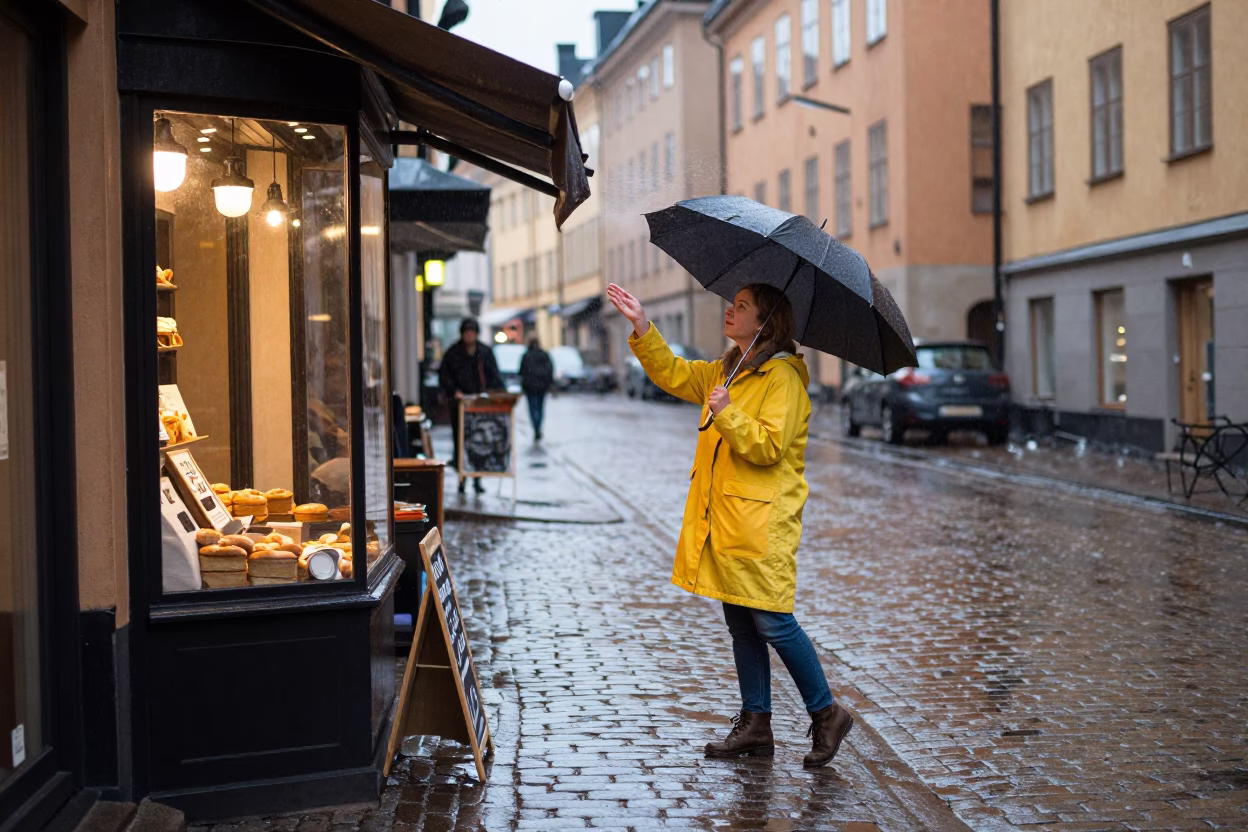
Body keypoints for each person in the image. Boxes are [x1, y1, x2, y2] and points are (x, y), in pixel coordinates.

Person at [606, 281, 853, 768]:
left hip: (762, 522)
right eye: (732, 303)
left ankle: (827, 713)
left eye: (740, 307)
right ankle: (756, 723)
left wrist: (726, 413)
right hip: (727, 518)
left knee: (774, 622)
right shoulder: (729, 369)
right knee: (741, 624)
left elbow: (767, 446)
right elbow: (674, 374)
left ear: (763, 323)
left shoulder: (783, 379)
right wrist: (641, 326)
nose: (729, 310)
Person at [438, 318, 503, 494]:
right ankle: (462, 479)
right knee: (460, 442)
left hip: (479, 405)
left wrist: (492, 392)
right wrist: (455, 391)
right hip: (459, 405)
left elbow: (494, 375)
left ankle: (477, 479)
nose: (469, 335)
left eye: (472, 332)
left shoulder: (484, 352)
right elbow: (444, 376)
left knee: (478, 442)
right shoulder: (453, 353)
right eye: (467, 332)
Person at [518, 337, 555, 441]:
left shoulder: (527, 356)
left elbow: (521, 371)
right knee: (539, 408)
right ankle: (537, 427)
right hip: (541, 387)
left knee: (532, 408)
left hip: (531, 387)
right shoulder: (543, 355)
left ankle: (536, 427)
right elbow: (550, 369)